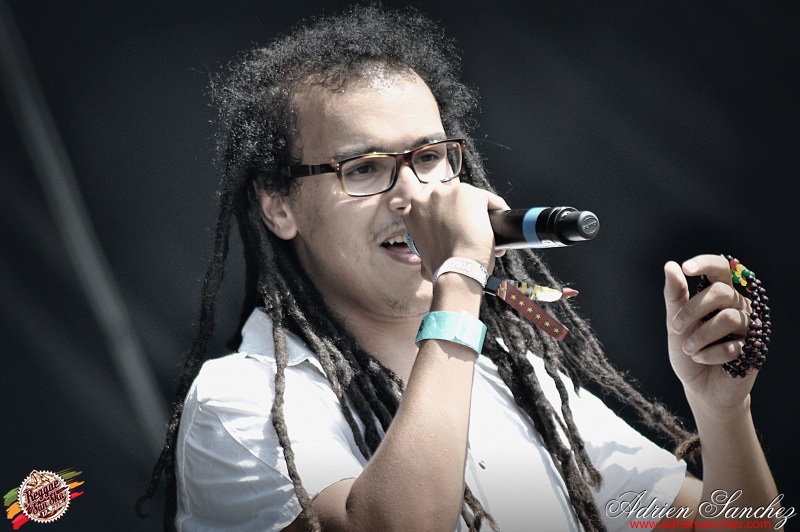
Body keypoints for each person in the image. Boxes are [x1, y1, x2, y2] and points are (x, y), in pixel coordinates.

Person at [136, 5, 781, 531]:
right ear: (278, 205)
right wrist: (462, 274)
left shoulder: (516, 378)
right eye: (364, 168)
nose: (413, 195)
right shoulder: (238, 402)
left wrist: (722, 413)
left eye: (429, 157)